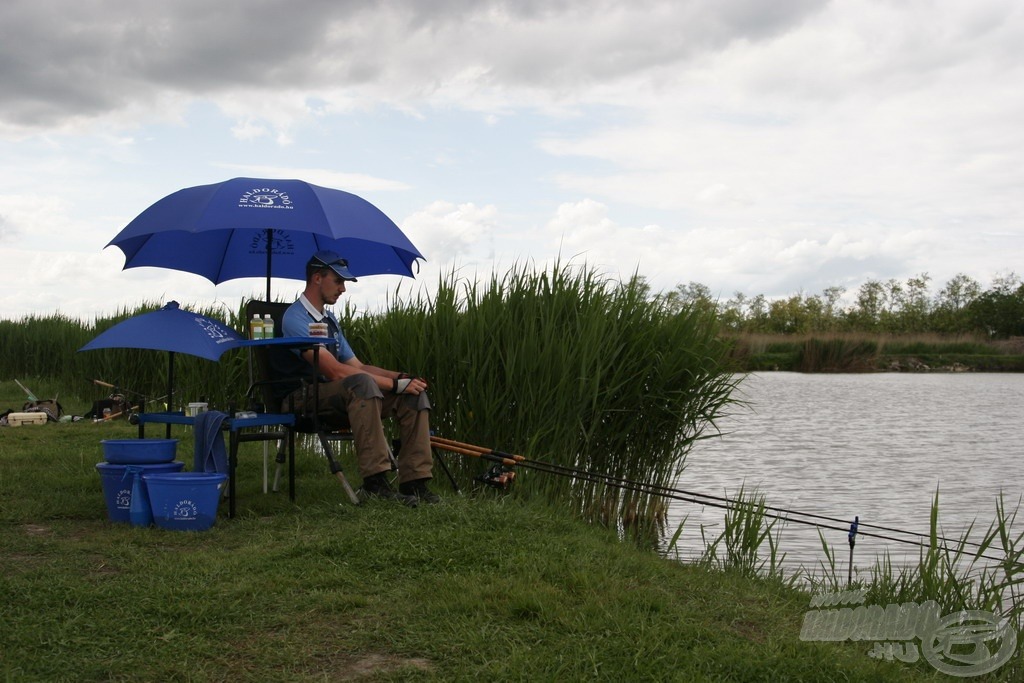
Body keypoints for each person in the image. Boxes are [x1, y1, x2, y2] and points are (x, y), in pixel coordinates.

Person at [271, 250, 438, 506]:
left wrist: (401, 378)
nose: (343, 289)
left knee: (412, 395)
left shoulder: (329, 320)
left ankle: (414, 482)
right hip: (300, 398)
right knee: (362, 384)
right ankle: (375, 484)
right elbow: (335, 372)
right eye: (338, 281)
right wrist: (393, 385)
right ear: (317, 278)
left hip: (338, 395)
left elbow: (357, 365)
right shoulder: (295, 318)